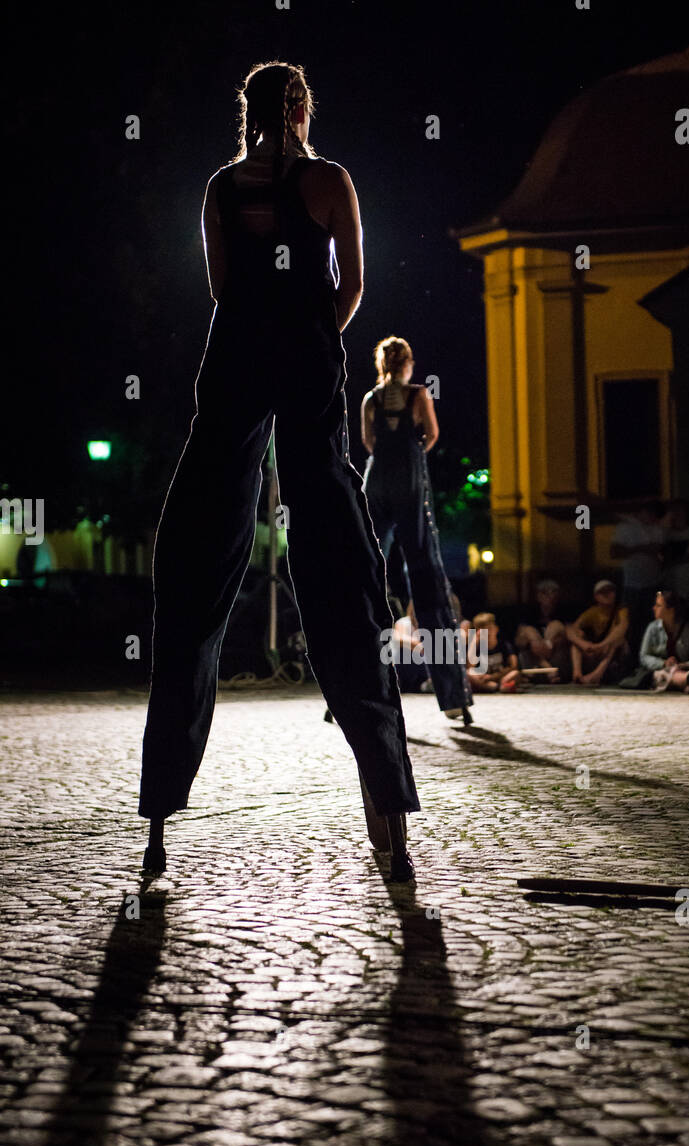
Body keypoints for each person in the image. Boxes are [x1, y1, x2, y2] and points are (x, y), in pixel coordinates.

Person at [138, 61, 418, 881]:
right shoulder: (330, 180)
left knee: (194, 568)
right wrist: (310, 336)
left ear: (250, 112)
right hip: (302, 357)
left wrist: (272, 330)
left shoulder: (222, 189)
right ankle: (388, 809)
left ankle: (157, 814)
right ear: (299, 107)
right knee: (332, 549)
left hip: (233, 364)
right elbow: (353, 286)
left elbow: (226, 288)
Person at [361, 336, 472, 725]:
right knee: (426, 579)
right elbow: (433, 434)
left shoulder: (370, 399)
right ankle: (453, 696)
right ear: (407, 363)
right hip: (408, 480)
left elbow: (369, 443)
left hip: (376, 483)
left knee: (364, 576)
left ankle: (352, 688)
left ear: (381, 364)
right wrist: (411, 454)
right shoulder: (419, 394)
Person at [611, 501, 666, 655]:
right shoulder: (626, 528)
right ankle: (632, 660)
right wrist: (642, 548)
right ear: (643, 512)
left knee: (651, 622)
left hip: (653, 583)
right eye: (651, 515)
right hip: (632, 584)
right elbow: (614, 552)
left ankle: (650, 657)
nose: (653, 519)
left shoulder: (658, 529)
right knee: (631, 624)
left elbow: (660, 551)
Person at [566, 579, 630, 686]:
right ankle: (577, 674)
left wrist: (602, 645)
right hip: (597, 651)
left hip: (615, 654)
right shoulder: (593, 612)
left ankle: (596, 675)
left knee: (617, 640)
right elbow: (570, 630)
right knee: (577, 638)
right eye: (602, 592)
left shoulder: (621, 611)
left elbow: (621, 629)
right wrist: (584, 644)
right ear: (596, 596)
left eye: (610, 591)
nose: (607, 595)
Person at [637, 589, 689, 692]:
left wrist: (683, 665)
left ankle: (686, 681)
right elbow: (644, 656)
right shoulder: (652, 628)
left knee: (677, 671)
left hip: (682, 669)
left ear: (671, 609)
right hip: (659, 671)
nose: (654, 608)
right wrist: (663, 663)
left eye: (658, 606)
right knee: (661, 675)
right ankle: (686, 680)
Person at [515, 578, 571, 681]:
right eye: (545, 593)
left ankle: (549, 670)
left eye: (553, 593)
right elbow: (519, 640)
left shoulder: (563, 613)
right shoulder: (529, 614)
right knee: (529, 631)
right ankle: (548, 669)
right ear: (538, 596)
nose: (549, 597)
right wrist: (532, 644)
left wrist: (551, 643)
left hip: (556, 657)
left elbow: (572, 634)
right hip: (536, 659)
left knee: (555, 625)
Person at [661, 500, 689, 620]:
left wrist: (672, 563)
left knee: (688, 604)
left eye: (680, 510)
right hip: (671, 576)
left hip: (688, 574)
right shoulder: (668, 533)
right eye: (675, 511)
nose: (677, 513)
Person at [467, 612, 522, 693]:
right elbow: (470, 666)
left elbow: (513, 665)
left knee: (515, 673)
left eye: (489, 628)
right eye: (483, 630)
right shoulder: (476, 646)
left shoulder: (504, 644)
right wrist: (475, 641)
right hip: (483, 679)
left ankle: (495, 687)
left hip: (499, 677)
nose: (487, 633)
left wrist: (492, 677)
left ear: (496, 629)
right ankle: (495, 687)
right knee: (468, 674)